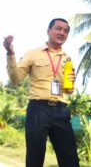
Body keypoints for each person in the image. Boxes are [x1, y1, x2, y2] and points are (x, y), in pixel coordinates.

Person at [3, 18, 80, 167]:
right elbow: (15, 79)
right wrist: (10, 53)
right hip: (38, 109)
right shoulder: (32, 53)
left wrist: (71, 81)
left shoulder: (67, 59)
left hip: (61, 110)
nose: (62, 33)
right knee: (35, 157)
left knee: (70, 158)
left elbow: (69, 90)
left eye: (66, 31)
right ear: (48, 31)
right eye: (58, 28)